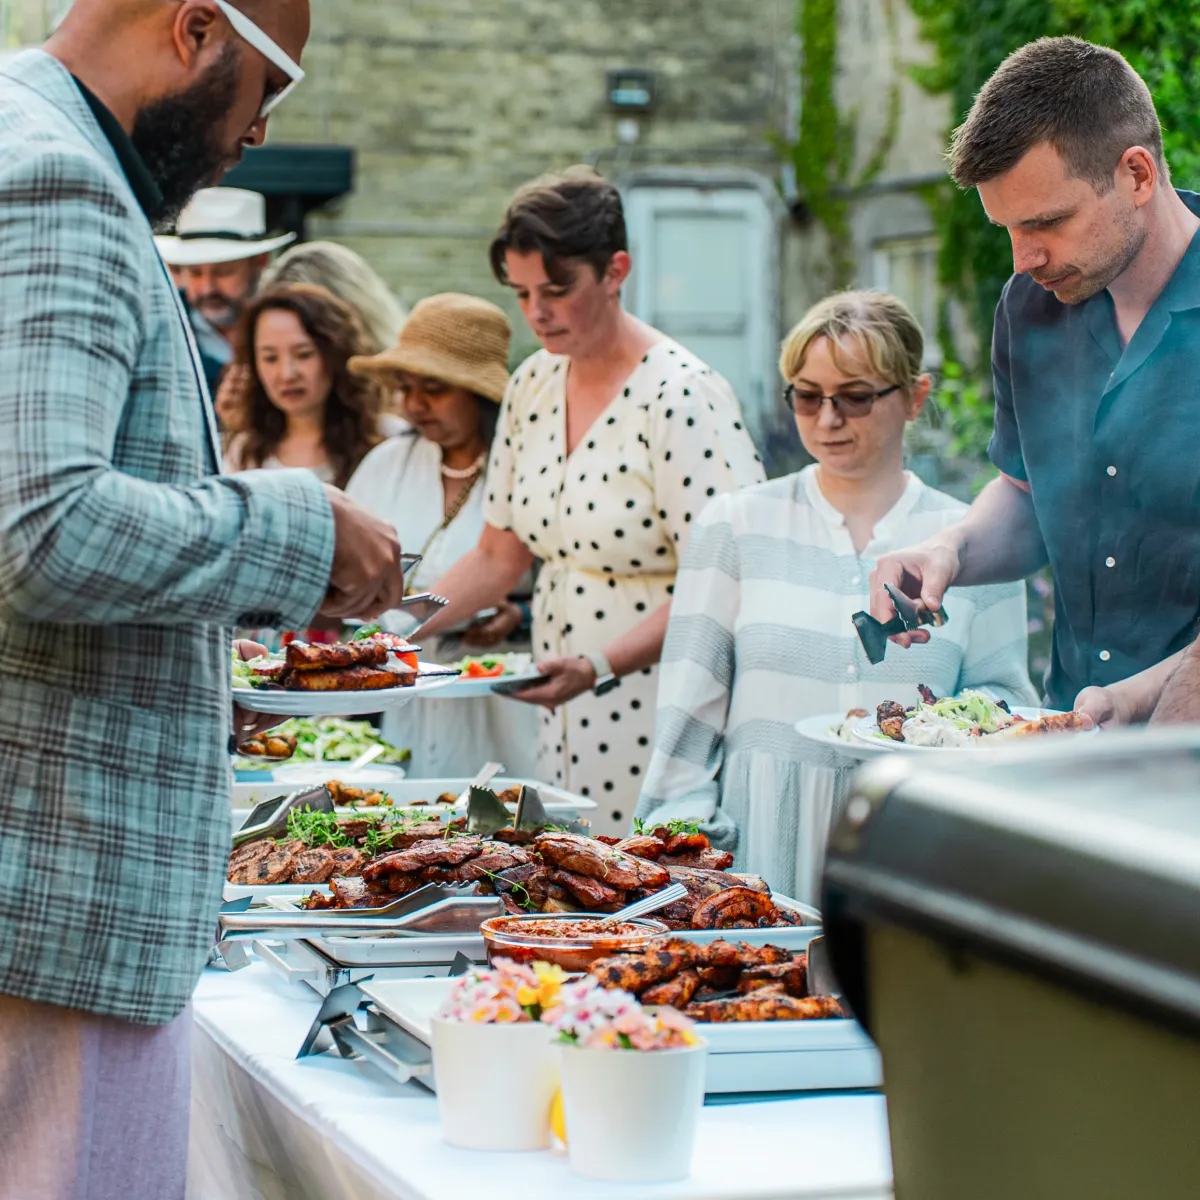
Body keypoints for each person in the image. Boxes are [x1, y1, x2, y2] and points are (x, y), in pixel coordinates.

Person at [0, 4, 408, 1195]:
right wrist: (300, 525)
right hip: (56, 906)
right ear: (193, 30)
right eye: (267, 89)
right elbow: (45, 529)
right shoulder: (60, 179)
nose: (260, 132)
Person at [635, 292, 1036, 899]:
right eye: (807, 396)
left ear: (915, 397)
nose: (827, 419)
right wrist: (693, 870)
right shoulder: (736, 526)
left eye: (854, 396)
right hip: (755, 857)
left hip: (914, 859)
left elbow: (1006, 709)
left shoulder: (974, 541)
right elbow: (686, 729)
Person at [419, 168, 765, 834]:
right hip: (560, 715)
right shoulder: (531, 383)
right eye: (522, 293)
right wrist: (389, 630)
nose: (537, 313)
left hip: (662, 710)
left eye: (557, 290)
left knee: (652, 885)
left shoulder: (682, 395)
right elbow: (495, 558)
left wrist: (600, 665)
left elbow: (729, 579)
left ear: (615, 271)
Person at [868, 37, 1200, 722]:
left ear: (1137, 175)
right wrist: (950, 550)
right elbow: (1026, 496)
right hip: (1070, 734)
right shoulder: (1027, 308)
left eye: (1047, 222)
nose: (1023, 260)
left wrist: (1139, 698)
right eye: (1008, 229)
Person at [345, 293, 540, 776]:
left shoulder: (525, 466)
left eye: (434, 388)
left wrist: (520, 616)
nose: (415, 404)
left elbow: (563, 583)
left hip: (503, 703)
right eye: (406, 387)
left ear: (478, 393)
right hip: (407, 705)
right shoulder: (386, 465)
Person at [224, 283, 384, 488]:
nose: (287, 374)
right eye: (270, 358)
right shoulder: (243, 454)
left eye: (304, 355)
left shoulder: (385, 439)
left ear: (334, 355)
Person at [156, 185, 295, 398]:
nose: (207, 288)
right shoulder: (160, 330)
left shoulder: (291, 324)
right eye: (195, 273)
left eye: (223, 272)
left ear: (260, 262)